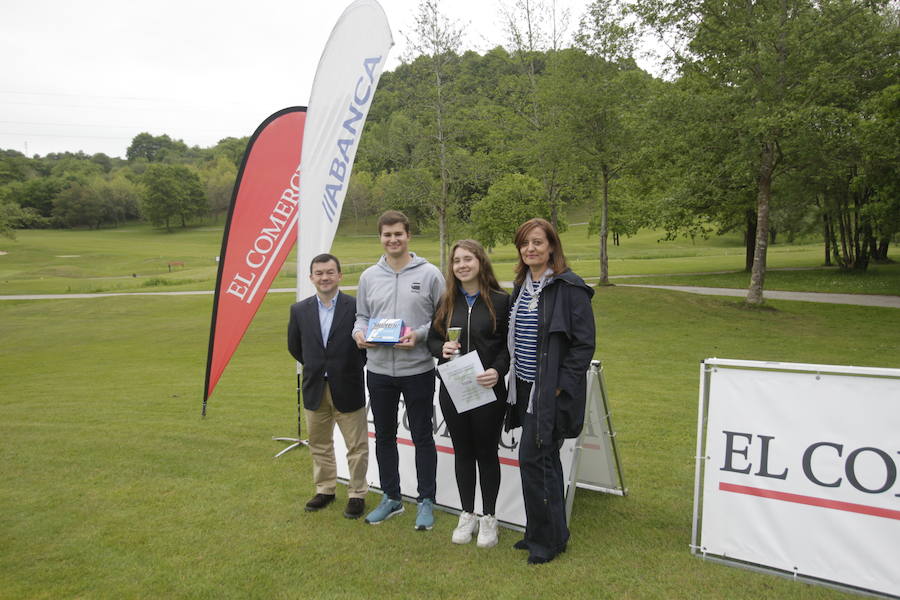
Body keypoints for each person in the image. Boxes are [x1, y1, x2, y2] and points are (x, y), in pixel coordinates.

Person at [506, 218, 595, 565]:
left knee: (535, 459)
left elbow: (583, 346)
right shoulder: (521, 286)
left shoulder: (569, 288)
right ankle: (543, 533)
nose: (531, 249)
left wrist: (560, 387)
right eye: (525, 244)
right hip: (524, 385)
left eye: (538, 243)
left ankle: (547, 542)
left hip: (549, 391)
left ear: (552, 247)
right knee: (543, 462)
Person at [353, 210, 445, 529]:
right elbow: (361, 316)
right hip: (378, 370)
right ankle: (391, 498)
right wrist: (358, 334)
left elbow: (441, 319)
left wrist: (418, 335)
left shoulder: (431, 274)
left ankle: (426, 501)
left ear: (409, 236)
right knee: (385, 437)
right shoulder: (368, 277)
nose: (393, 240)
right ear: (380, 238)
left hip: (417, 368)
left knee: (422, 436)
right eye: (387, 235)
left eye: (398, 234)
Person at [427, 240, 510, 548]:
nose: (462, 265)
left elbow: (507, 346)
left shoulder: (502, 301)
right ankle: (467, 514)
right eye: (456, 260)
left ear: (480, 261)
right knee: (463, 452)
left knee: (487, 453)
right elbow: (432, 341)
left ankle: (489, 518)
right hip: (454, 389)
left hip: (488, 389)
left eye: (468, 259)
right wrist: (442, 348)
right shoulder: (447, 300)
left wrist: (498, 370)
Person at [288, 253, 369, 519]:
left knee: (356, 446)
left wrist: (343, 368)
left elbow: (364, 348)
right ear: (311, 277)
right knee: (319, 444)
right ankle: (325, 489)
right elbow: (295, 347)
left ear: (340, 275)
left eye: (330, 272)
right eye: (319, 273)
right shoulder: (299, 310)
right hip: (314, 388)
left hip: (348, 385)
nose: (325, 277)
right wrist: (318, 366)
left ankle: (357, 494)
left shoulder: (356, 307)